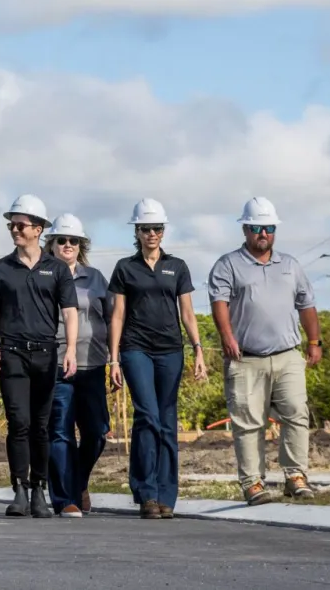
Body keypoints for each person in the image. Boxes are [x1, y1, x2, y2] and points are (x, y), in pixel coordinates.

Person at [208, 197, 321, 505]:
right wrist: (227, 336)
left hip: (287, 355)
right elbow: (219, 304)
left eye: (269, 228)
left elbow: (307, 304)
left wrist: (314, 341)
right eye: (257, 227)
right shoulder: (228, 265)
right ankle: (253, 482)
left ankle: (295, 476)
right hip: (245, 358)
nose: (263, 233)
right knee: (248, 421)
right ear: (245, 229)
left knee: (297, 413)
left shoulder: (290, 265)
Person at [106, 198, 207, 519]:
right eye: (146, 228)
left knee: (166, 422)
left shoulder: (177, 267)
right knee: (146, 415)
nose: (152, 233)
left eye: (157, 228)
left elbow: (188, 313)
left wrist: (198, 349)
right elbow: (117, 316)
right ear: (137, 232)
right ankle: (146, 493)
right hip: (135, 349)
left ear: (163, 232)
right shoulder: (125, 268)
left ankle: (167, 495)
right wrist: (113, 359)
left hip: (170, 350)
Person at [0, 194, 78, 519]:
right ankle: (19, 489)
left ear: (38, 230)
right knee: (18, 423)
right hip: (12, 353)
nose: (15, 230)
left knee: (41, 424)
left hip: (47, 353)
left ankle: (40, 489)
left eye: (21, 225)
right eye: (12, 225)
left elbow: (70, 312)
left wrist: (71, 350)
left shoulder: (58, 270)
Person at [43, 214, 112, 518]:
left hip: (92, 365)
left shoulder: (96, 278)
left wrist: (116, 357)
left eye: (74, 241)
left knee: (97, 433)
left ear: (81, 244)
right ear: (52, 244)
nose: (68, 245)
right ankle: (64, 498)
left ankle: (79, 481)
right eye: (62, 240)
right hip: (56, 365)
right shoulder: (43, 276)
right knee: (60, 432)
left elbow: (112, 319)